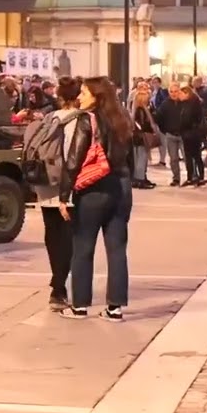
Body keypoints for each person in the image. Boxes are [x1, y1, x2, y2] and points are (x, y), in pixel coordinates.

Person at [58, 76, 133, 321]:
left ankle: (79, 305)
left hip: (92, 190)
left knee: (83, 247)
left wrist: (64, 196)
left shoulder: (86, 121)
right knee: (117, 249)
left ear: (97, 97)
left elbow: (73, 161)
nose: (79, 97)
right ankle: (115, 307)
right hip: (121, 188)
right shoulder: (122, 119)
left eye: (84, 92)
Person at [31, 76, 81, 309]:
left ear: (60, 97)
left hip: (45, 181)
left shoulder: (49, 118)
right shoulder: (82, 121)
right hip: (69, 183)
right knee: (68, 234)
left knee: (52, 233)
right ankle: (59, 286)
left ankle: (57, 283)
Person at [130, 86, 158, 190]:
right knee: (141, 159)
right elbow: (145, 125)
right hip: (142, 137)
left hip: (136, 137)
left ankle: (139, 178)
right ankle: (140, 179)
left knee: (138, 158)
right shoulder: (142, 111)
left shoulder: (136, 110)